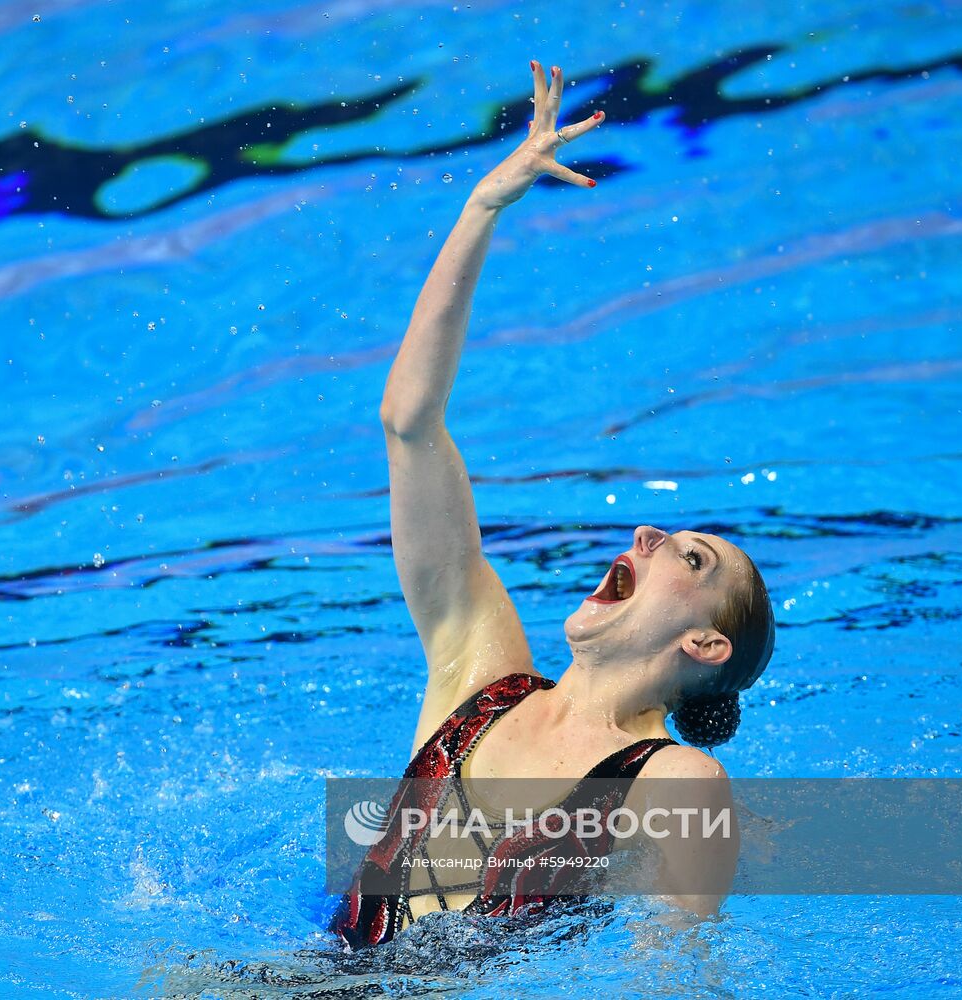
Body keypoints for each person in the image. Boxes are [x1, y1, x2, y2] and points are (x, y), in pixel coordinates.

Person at [331, 60, 776, 950]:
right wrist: (481, 210)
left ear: (704, 645)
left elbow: (679, 967)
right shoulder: (476, 681)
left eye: (691, 558)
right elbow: (408, 424)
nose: (648, 533)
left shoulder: (672, 780)